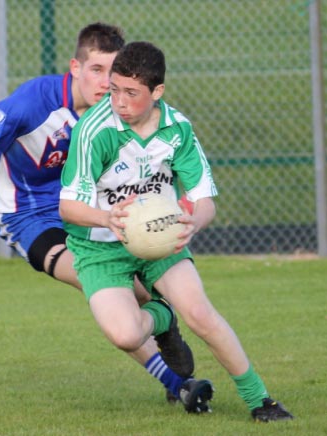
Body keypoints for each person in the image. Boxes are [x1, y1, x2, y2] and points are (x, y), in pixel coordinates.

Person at [0, 23, 203, 409]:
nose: (104, 83)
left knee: (138, 292)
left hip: (85, 206)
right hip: (27, 214)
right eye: (95, 70)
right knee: (97, 283)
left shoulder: (116, 113)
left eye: (111, 73)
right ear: (74, 67)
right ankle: (177, 380)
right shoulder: (34, 102)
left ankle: (167, 335)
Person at [59, 41, 294, 422]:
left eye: (131, 93)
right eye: (114, 89)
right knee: (126, 336)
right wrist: (108, 220)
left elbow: (205, 202)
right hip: (99, 247)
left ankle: (261, 401)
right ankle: (163, 316)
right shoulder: (94, 130)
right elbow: (68, 207)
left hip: (162, 239)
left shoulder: (178, 129)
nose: (118, 101)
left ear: (157, 92)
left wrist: (192, 224)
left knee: (201, 314)